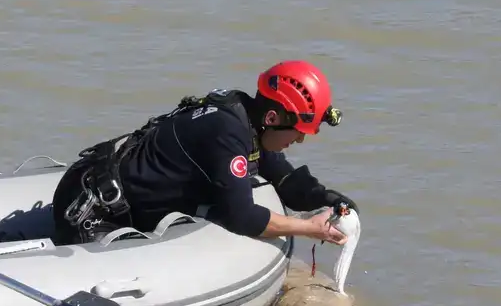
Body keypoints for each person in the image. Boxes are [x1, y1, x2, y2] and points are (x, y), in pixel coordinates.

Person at [51, 60, 359, 247]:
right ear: (273, 119)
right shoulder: (227, 133)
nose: (300, 142)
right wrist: (308, 228)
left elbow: (286, 179)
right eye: (298, 133)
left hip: (103, 192)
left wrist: (330, 200)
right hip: (91, 212)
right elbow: (242, 217)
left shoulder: (245, 120)